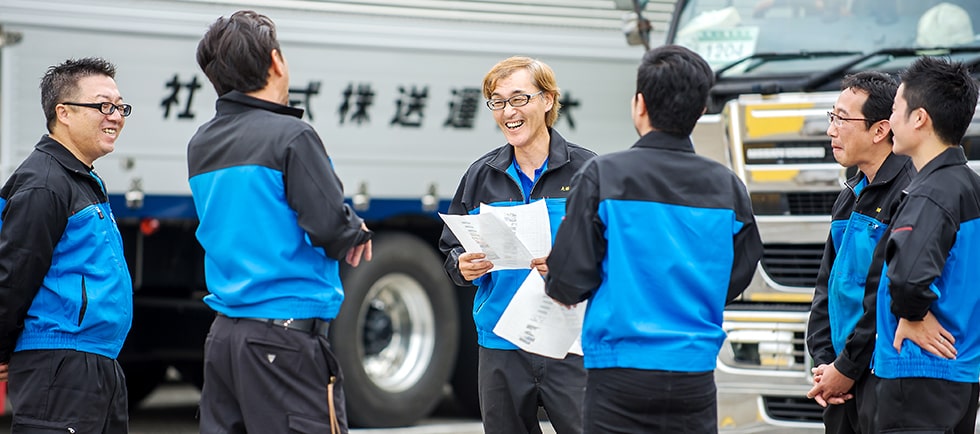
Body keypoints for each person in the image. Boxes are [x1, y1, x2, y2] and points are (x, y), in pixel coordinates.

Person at [545, 44, 763, 433]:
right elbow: (736, 277)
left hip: (618, 373)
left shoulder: (602, 176)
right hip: (694, 375)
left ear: (639, 105)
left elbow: (566, 283)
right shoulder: (728, 187)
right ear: (700, 112)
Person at [189, 10, 373, 434]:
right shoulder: (292, 137)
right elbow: (328, 227)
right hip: (283, 339)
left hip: (224, 338)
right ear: (276, 63)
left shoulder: (202, 142)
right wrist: (353, 230)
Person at [438, 56, 594, 434]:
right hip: (501, 345)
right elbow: (450, 249)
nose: (508, 112)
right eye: (498, 101)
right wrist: (461, 265)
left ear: (548, 100)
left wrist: (571, 266)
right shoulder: (481, 175)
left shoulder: (589, 172)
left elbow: (615, 256)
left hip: (570, 345)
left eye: (519, 99)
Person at [0, 57, 133, 433]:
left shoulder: (80, 179)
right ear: (65, 113)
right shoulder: (45, 183)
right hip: (60, 365)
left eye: (120, 107)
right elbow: (14, 273)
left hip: (94, 362)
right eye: (103, 105)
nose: (116, 116)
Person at [870, 55, 980, 433]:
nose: (891, 123)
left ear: (920, 118)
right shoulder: (969, 184)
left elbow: (908, 278)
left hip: (917, 372)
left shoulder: (929, 193)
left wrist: (912, 315)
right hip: (961, 370)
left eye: (896, 110)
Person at [804, 71, 914, 433]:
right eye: (831, 117)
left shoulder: (909, 195)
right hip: (840, 382)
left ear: (880, 130)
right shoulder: (850, 194)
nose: (831, 130)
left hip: (882, 381)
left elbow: (884, 299)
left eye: (842, 119)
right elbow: (827, 290)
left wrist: (847, 369)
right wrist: (825, 364)